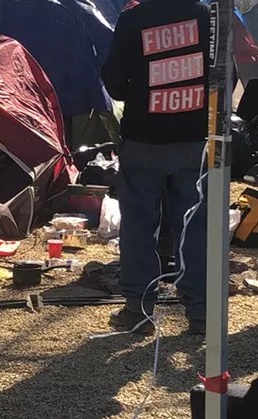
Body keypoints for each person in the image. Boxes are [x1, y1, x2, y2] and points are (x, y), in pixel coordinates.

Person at [101, 0, 210, 335]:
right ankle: (201, 312)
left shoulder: (134, 18)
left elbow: (114, 83)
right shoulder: (206, 16)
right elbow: (224, 74)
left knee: (139, 225)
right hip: (194, 139)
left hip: (143, 138)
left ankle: (138, 309)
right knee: (194, 226)